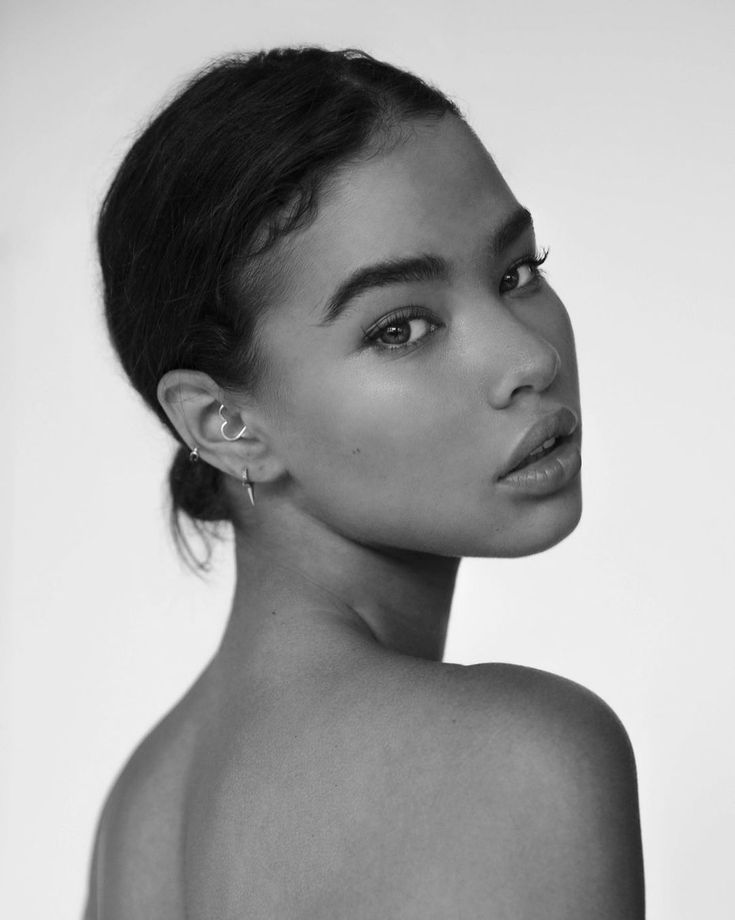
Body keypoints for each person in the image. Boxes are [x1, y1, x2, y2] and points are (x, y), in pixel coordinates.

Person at [84, 46, 645, 919]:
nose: (529, 359)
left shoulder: (139, 813)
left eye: (516, 272)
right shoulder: (517, 758)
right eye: (399, 328)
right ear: (225, 424)